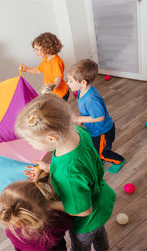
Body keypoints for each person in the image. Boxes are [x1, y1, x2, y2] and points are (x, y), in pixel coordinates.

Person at [15, 94, 115, 251]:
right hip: (101, 201)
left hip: (86, 222)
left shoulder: (69, 171)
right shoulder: (78, 133)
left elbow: (82, 210)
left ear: (52, 138)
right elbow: (83, 168)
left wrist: (48, 204)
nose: (30, 145)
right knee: (100, 233)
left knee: (81, 247)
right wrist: (50, 168)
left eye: (31, 141)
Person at [67, 59, 125, 173]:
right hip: (96, 130)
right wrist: (84, 120)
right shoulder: (82, 91)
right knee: (96, 148)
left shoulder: (91, 99)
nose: (67, 83)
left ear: (83, 82)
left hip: (102, 131)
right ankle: (99, 159)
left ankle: (119, 160)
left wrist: (78, 118)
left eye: (70, 80)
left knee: (102, 152)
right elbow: (90, 113)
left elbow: (100, 117)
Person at [0, 171, 73, 251]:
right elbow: (73, 211)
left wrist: (43, 203)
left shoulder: (10, 230)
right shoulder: (53, 227)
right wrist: (50, 203)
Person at [19, 32, 69, 101]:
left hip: (60, 94)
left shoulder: (56, 62)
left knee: (59, 111)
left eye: (37, 49)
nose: (35, 52)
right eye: (34, 50)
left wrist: (51, 87)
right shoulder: (46, 59)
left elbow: (58, 78)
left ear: (47, 48)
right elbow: (38, 70)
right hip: (52, 93)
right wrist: (26, 69)